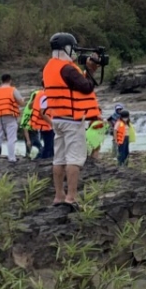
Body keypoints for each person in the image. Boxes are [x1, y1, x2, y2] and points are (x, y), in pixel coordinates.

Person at [43, 32, 101, 207]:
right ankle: (71, 197)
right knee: (74, 159)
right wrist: (90, 70)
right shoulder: (67, 68)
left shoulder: (49, 67)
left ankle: (59, 196)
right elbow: (86, 87)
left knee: (58, 158)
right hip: (72, 120)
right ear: (66, 49)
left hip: (57, 118)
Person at [0, 74, 25, 162]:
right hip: (10, 115)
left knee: (0, 134)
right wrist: (22, 101)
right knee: (11, 137)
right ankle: (12, 158)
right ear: (10, 80)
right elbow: (21, 102)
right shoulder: (12, 90)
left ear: (1, 81)